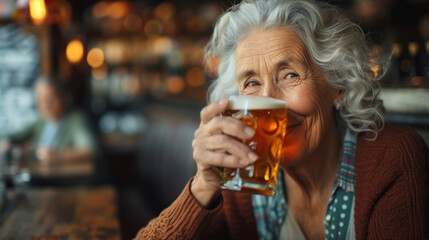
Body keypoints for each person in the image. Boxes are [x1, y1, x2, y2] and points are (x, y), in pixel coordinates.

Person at [136, 0, 429, 239]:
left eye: (290, 75)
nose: (270, 103)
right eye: (251, 83)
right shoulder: (240, 181)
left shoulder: (393, 160)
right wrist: (203, 185)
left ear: (337, 84)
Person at [0, 77, 97, 167]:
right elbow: (11, 135)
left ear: (64, 99)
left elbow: (89, 150)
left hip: (67, 181)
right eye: (40, 99)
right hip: (42, 178)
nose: (46, 104)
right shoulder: (41, 121)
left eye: (51, 98)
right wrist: (6, 143)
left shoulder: (75, 120)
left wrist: (57, 156)